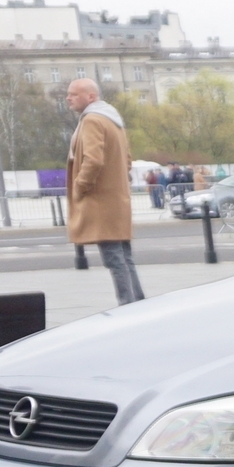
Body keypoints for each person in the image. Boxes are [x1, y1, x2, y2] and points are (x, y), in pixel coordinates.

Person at [65, 78, 143, 304]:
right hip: (116, 199)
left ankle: (127, 305)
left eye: (74, 94)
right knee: (124, 256)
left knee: (114, 259)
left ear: (91, 96)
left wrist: (79, 187)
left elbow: (93, 160)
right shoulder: (113, 119)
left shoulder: (92, 120)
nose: (68, 98)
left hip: (100, 201)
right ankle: (137, 302)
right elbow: (127, 160)